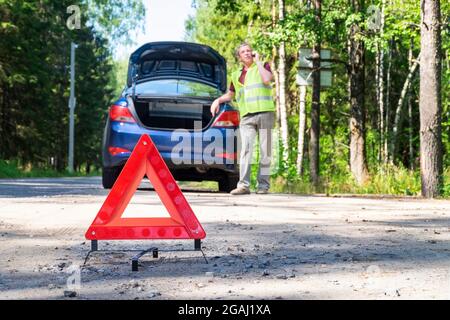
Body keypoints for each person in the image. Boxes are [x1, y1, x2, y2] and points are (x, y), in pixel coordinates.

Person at [210, 42, 275, 195]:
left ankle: (263, 186)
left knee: (266, 150)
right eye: (243, 52)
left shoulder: (262, 66)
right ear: (239, 57)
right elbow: (231, 95)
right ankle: (244, 186)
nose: (247, 53)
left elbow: (267, 80)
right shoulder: (235, 74)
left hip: (265, 113)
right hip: (246, 116)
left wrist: (258, 61)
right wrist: (218, 100)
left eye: (249, 51)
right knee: (245, 149)